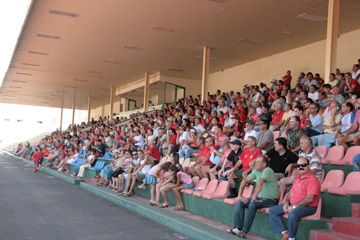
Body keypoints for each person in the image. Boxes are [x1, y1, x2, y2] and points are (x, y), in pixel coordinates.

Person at [227, 156, 279, 238]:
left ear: (264, 164)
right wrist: (240, 195)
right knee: (240, 202)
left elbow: (260, 183)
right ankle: (237, 228)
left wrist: (254, 196)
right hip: (260, 199)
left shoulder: (267, 170)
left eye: (258, 162)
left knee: (253, 204)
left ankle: (244, 232)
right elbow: (245, 180)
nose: (256, 163)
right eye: (256, 161)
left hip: (271, 200)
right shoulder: (256, 171)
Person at [269, 157, 321, 240]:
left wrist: (294, 207)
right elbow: (291, 192)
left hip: (308, 207)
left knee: (293, 214)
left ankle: (291, 238)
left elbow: (310, 199)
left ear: (309, 166)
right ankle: (284, 233)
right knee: (272, 210)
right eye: (298, 165)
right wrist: (286, 202)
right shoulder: (297, 178)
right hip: (293, 205)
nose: (300, 167)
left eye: (303, 165)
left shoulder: (313, 180)